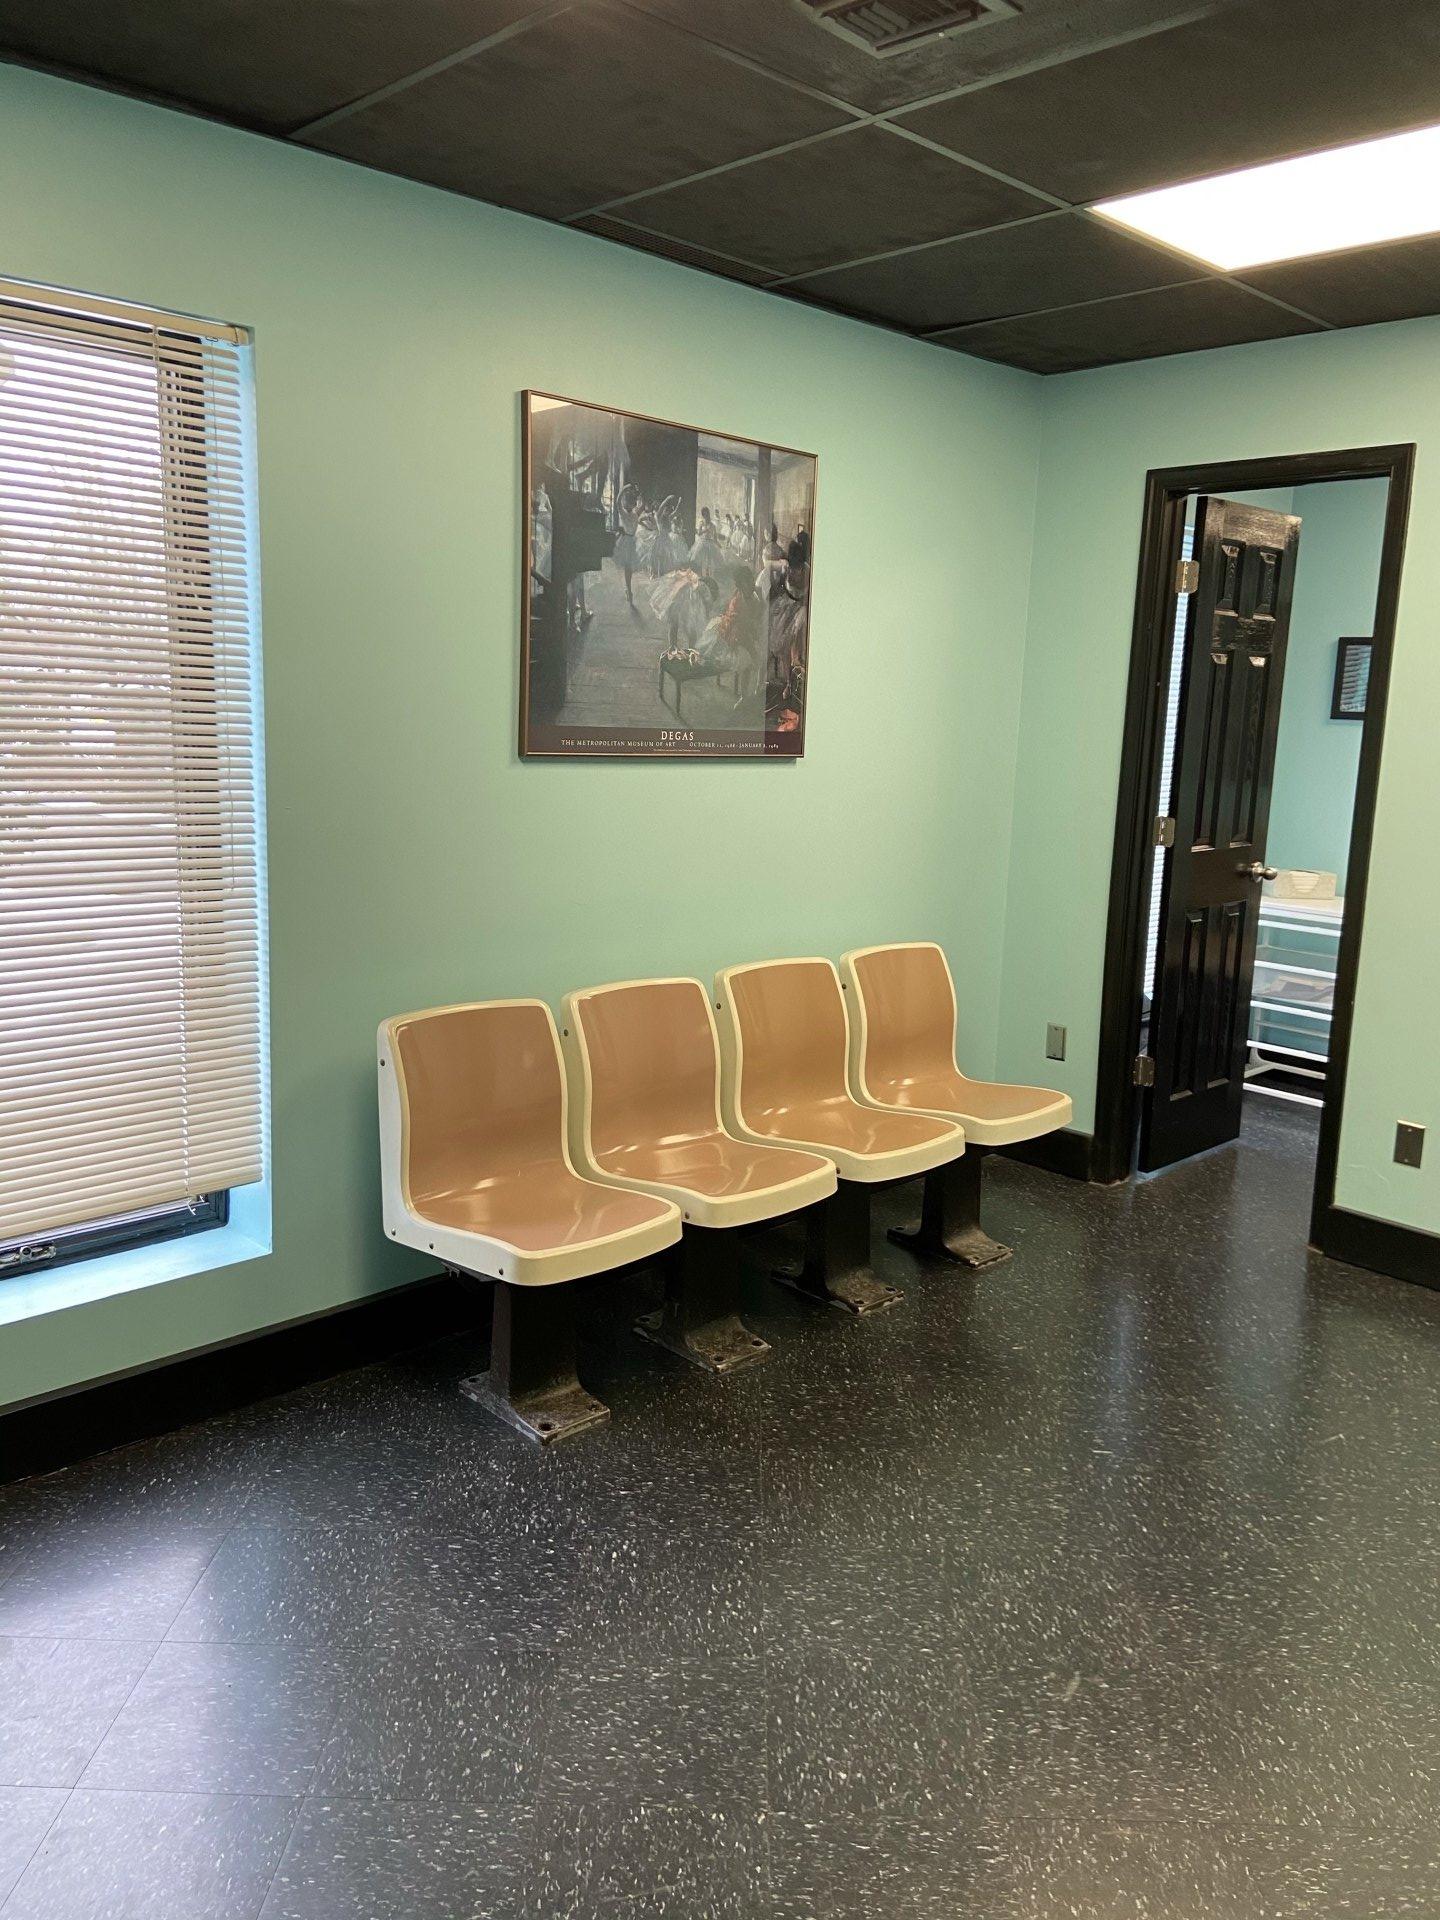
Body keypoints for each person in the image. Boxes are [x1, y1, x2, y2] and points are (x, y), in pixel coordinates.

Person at [612, 482, 642, 606]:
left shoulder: (632, 514)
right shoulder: (629, 513)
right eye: (628, 502)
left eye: (631, 502)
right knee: (627, 568)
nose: (629, 504)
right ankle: (629, 590)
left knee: (628, 568)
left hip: (630, 541)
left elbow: (619, 501)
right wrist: (627, 489)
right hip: (628, 541)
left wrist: (629, 490)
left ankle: (629, 590)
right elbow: (618, 501)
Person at [689, 506, 725, 579]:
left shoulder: (713, 525)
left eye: (707, 514)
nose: (706, 516)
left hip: (710, 544)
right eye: (705, 515)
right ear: (703, 515)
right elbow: (698, 533)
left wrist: (718, 544)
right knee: (703, 562)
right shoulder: (701, 523)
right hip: (702, 543)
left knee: (710, 562)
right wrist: (705, 530)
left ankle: (710, 578)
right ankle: (703, 577)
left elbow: (714, 537)